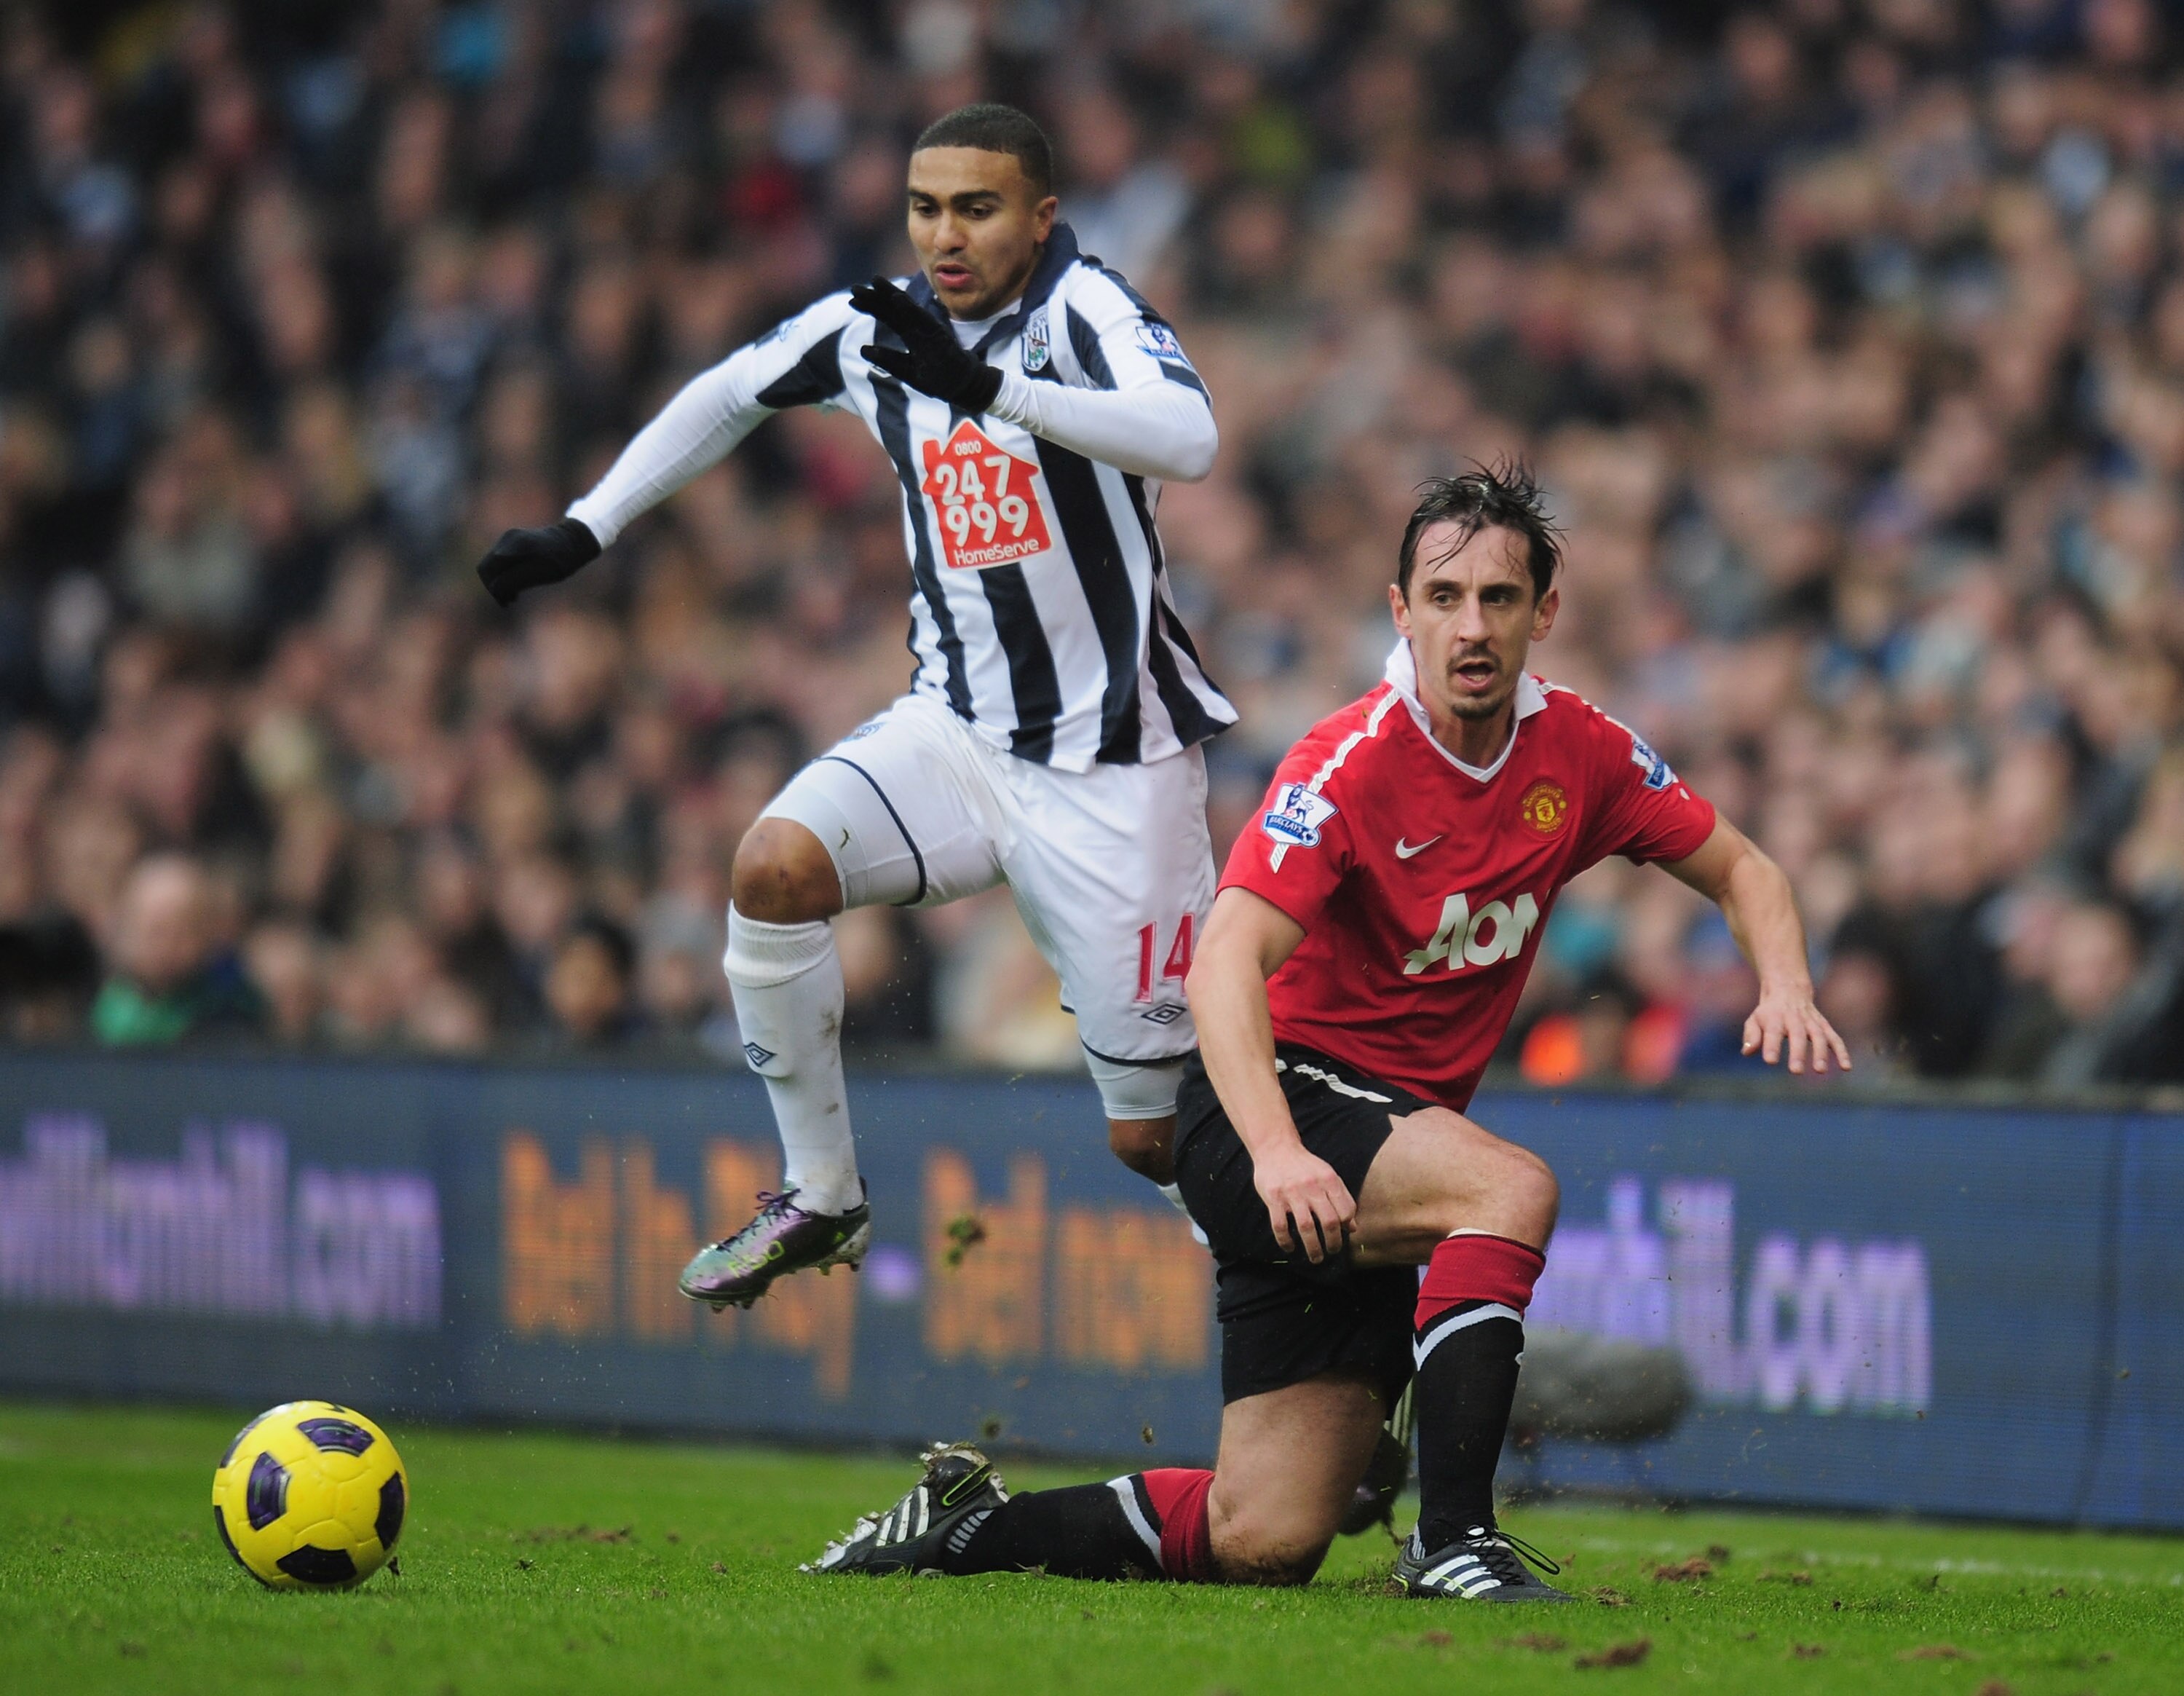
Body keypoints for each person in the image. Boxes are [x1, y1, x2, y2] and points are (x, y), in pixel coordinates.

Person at [806, 466, 1848, 1597]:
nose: (1472, 625)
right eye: (1443, 596)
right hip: (1270, 1109)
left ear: (1545, 614)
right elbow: (1223, 965)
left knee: (1264, 1535)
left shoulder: (1582, 752)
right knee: (1509, 1191)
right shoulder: (1347, 762)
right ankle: (1453, 1540)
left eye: (1500, 599)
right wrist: (1278, 1149)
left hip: (1377, 1145)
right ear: (1399, 610)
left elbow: (1744, 866)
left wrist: (1783, 982)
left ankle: (966, 1526)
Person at [475, 105, 1232, 1307]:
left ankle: (1334, 1350)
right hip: (958, 733)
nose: (946, 232)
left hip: (1114, 767)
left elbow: (1189, 439)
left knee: (1159, 1137)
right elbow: (730, 391)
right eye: (928, 206)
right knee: (772, 867)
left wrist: (996, 390)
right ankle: (821, 1190)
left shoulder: (1088, 310)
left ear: (1041, 217)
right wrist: (590, 523)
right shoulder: (878, 328)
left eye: (977, 208)